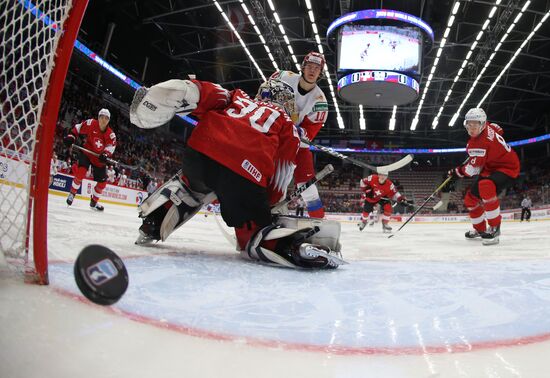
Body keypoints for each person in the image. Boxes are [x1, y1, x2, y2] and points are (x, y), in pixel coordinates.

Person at [129, 78, 344, 269]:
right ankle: (288, 246)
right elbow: (281, 173)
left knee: (189, 188)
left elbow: (204, 93)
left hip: (201, 151)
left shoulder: (238, 96)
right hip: (244, 173)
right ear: (285, 102)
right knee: (253, 229)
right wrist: (266, 207)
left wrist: (185, 89)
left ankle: (153, 222)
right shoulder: (288, 126)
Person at [448, 107, 520, 245]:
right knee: (470, 199)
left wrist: (456, 172)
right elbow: (498, 129)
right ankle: (480, 229)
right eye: (469, 124)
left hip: (508, 167)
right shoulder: (489, 126)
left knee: (485, 185)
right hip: (490, 167)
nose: (471, 128)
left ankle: (494, 228)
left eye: (475, 124)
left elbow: (472, 171)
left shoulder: (478, 143)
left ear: (482, 124)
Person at [270, 51, 329, 219]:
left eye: (317, 68)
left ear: (320, 73)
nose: (312, 71)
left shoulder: (320, 102)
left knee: (308, 187)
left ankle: (318, 221)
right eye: (309, 66)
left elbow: (308, 134)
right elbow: (263, 95)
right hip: (271, 133)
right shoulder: (283, 77)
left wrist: (293, 130)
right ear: (303, 68)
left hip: (296, 142)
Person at [63, 108, 116, 211]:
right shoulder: (91, 123)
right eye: (101, 117)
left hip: (99, 159)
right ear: (98, 117)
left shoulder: (110, 134)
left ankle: (94, 202)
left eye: (106, 118)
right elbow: (78, 128)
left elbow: (111, 146)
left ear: (108, 120)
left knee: (102, 183)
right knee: (81, 172)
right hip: (87, 153)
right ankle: (72, 193)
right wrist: (71, 136)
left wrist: (105, 154)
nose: (103, 120)